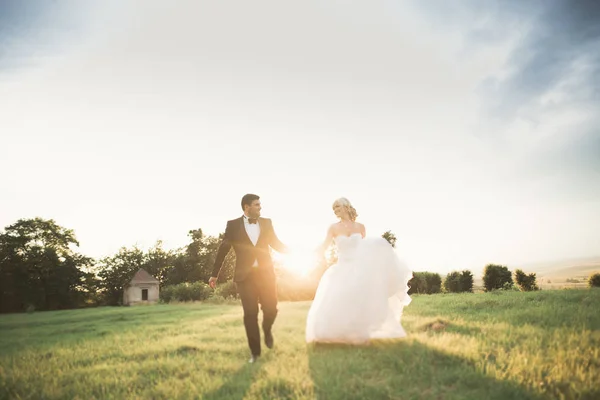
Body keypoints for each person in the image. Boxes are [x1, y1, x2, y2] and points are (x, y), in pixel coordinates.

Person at [306, 197, 412, 343]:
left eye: (338, 207)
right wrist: (312, 254)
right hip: (342, 267)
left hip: (359, 268)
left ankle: (357, 332)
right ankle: (332, 332)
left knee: (359, 301)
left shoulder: (361, 227)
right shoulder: (333, 228)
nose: (336, 210)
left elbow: (364, 248)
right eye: (334, 208)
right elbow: (323, 246)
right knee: (339, 299)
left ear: (346, 206)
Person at [210, 194, 288, 363]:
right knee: (250, 314)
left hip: (266, 275)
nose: (260, 207)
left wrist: (295, 252)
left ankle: (267, 330)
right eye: (257, 204)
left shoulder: (267, 223)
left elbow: (276, 243)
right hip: (245, 277)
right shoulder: (232, 225)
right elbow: (223, 250)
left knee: (271, 309)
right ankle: (255, 353)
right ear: (247, 207)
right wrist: (214, 274)